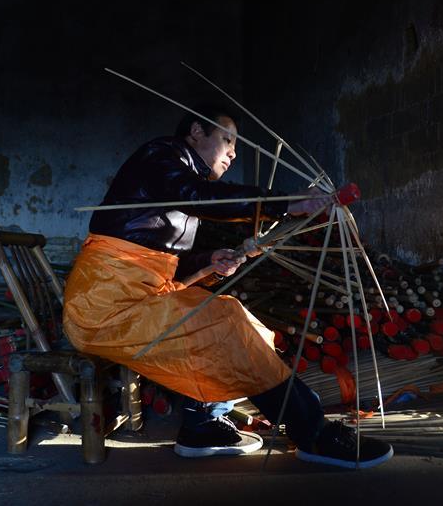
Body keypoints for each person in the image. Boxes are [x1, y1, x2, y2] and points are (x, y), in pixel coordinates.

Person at [62, 103, 392, 468]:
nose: (234, 152)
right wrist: (282, 203)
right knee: (222, 323)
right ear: (196, 133)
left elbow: (163, 271)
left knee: (231, 316)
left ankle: (203, 426)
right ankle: (311, 433)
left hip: (134, 295)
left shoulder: (181, 181)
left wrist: (208, 262)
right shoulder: (162, 155)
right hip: (102, 305)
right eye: (227, 139)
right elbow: (195, 198)